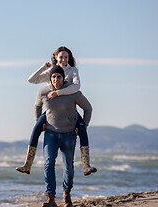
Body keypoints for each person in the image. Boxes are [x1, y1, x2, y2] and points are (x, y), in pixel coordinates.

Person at [16, 46, 97, 176]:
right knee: (36, 127)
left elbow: (76, 87)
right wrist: (44, 67)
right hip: (51, 108)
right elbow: (31, 80)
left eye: (66, 57)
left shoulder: (72, 70)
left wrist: (57, 93)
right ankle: (27, 164)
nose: (64, 60)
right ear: (55, 58)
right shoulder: (51, 71)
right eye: (61, 57)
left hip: (68, 108)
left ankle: (86, 165)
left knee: (82, 129)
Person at [36, 65, 92, 207]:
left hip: (69, 134)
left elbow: (88, 108)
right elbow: (37, 106)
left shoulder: (73, 92)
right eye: (53, 77)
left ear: (63, 78)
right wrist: (39, 122)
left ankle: (67, 194)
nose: (56, 79)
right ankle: (51, 198)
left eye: (59, 77)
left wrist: (82, 127)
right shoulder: (43, 92)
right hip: (50, 134)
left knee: (68, 166)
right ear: (50, 78)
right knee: (48, 164)